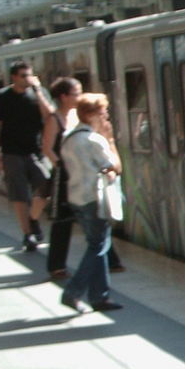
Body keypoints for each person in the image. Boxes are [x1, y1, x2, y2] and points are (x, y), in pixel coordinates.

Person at [42, 76, 124, 281]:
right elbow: (48, 148)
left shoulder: (76, 120)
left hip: (81, 179)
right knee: (65, 223)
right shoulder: (56, 119)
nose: (78, 96)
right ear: (63, 97)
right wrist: (62, 166)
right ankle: (59, 268)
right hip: (66, 177)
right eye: (75, 93)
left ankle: (111, 263)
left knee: (96, 231)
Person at [58, 93, 123, 313]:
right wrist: (111, 139)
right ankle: (73, 292)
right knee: (97, 246)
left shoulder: (68, 137)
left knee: (98, 245)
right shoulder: (95, 140)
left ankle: (100, 296)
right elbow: (115, 167)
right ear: (89, 114)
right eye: (102, 111)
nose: (105, 115)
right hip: (95, 199)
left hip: (76, 198)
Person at [0, 60, 53, 251]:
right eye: (24, 75)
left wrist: (39, 91)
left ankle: (33, 219)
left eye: (30, 75)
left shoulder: (38, 93)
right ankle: (28, 234)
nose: (28, 79)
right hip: (11, 152)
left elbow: (49, 115)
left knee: (46, 184)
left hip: (37, 150)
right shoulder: (3, 96)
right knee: (19, 195)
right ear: (14, 77)